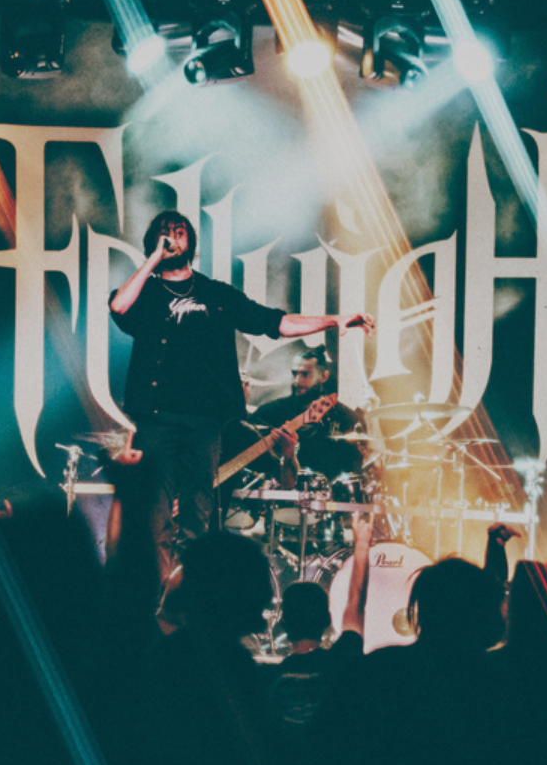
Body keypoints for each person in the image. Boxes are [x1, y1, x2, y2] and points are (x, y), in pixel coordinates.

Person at [109, 210, 373, 576]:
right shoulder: (147, 292)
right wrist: (154, 257)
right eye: (164, 233)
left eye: (179, 232)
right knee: (155, 523)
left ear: (191, 242)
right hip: (156, 421)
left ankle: (189, 600)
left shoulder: (216, 294)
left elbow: (276, 323)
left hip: (204, 424)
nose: (172, 238)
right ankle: (155, 605)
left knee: (196, 521)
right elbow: (119, 306)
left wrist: (334, 320)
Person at [248, 346, 364, 484]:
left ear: (324, 376)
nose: (297, 381)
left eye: (305, 374)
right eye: (294, 373)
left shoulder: (346, 418)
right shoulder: (269, 412)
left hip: (327, 494)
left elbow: (353, 468)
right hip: (275, 493)